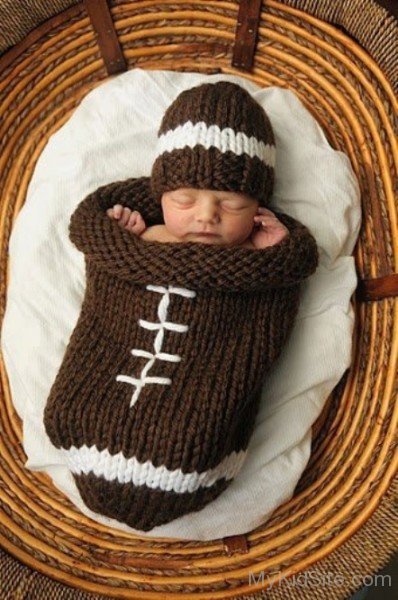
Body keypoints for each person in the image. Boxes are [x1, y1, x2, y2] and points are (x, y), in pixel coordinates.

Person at [43, 81, 318, 532]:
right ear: (159, 197)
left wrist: (275, 258)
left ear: (258, 207)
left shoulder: (254, 258)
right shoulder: (147, 237)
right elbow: (106, 293)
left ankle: (182, 458)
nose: (206, 215)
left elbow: (263, 324)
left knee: (191, 434)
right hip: (98, 401)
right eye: (184, 200)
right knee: (76, 410)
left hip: (192, 419)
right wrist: (123, 233)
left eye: (231, 203)